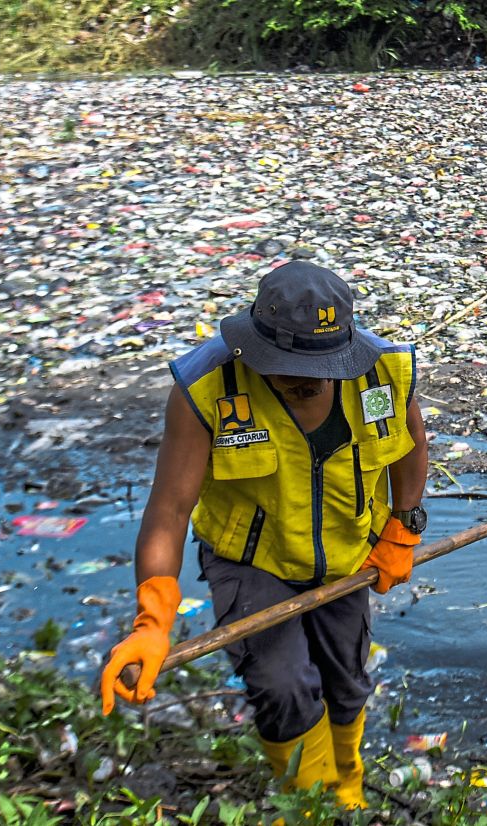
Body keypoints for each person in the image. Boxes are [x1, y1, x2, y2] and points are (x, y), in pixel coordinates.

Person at [99, 261, 429, 811]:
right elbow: (168, 510)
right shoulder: (206, 387)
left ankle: (346, 782)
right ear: (255, 349)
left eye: (321, 371)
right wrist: (153, 620)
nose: (307, 383)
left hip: (347, 552)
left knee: (346, 683)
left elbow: (413, 443)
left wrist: (403, 527)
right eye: (288, 370)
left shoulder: (385, 371)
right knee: (281, 688)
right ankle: (309, 804)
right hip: (250, 559)